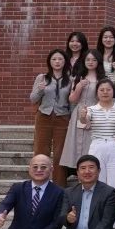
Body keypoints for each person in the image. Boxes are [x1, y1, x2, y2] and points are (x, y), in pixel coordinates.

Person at [30, 49, 72, 185]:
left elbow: (72, 101)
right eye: (54, 59)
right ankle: (39, 183)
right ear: (49, 62)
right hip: (44, 116)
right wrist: (40, 90)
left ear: (65, 62)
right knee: (41, 150)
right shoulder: (42, 78)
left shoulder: (70, 79)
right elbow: (33, 99)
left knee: (60, 153)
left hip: (62, 117)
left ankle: (59, 186)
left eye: (60, 59)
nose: (57, 62)